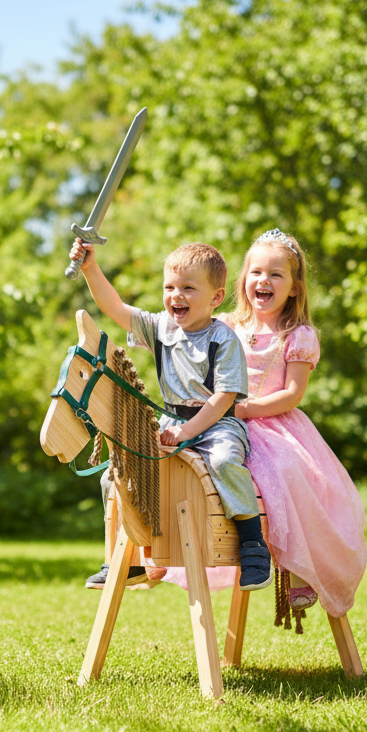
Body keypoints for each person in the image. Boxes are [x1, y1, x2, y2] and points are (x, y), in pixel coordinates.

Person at [69, 238, 272, 592]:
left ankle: (253, 543)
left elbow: (224, 398)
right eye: (169, 287)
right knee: (115, 474)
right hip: (170, 422)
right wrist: (90, 268)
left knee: (224, 461)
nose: (176, 295)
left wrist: (187, 431)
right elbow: (115, 308)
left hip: (216, 423)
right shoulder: (161, 327)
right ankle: (126, 559)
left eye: (188, 288)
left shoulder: (223, 339)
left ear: (215, 298)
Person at [222, 228, 367, 616]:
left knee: (286, 471)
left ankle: (302, 566)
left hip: (273, 423)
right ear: (243, 280)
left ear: (294, 289)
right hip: (226, 424)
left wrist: (247, 408)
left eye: (275, 274)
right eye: (255, 272)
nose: (262, 281)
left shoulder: (297, 335)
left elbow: (292, 394)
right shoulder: (227, 326)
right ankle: (161, 556)